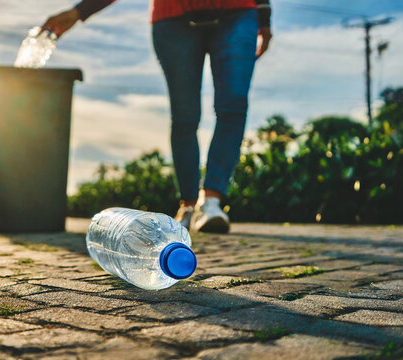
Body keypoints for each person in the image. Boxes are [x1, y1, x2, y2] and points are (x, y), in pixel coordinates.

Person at [44, 0, 271, 233]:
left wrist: (264, 17)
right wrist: (79, 12)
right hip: (173, 16)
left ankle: (211, 203)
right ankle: (189, 206)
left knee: (232, 107)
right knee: (184, 115)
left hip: (238, 12)